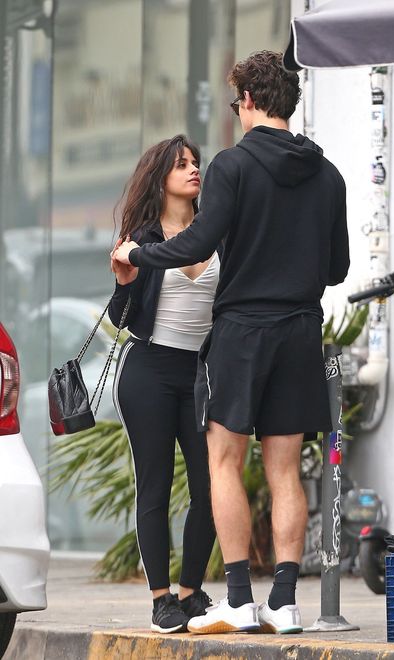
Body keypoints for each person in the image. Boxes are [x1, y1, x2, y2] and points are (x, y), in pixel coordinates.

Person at [114, 51, 350, 635]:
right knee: (285, 469)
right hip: (301, 328)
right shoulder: (329, 175)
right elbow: (338, 269)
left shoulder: (233, 165)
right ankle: (286, 602)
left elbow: (197, 244)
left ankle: (240, 599)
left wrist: (137, 253)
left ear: (247, 100)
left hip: (242, 331)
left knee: (223, 462)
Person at [109, 135, 218, 634]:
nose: (193, 170)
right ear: (161, 178)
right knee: (154, 486)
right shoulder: (141, 239)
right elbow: (121, 318)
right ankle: (161, 599)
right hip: (149, 370)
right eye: (181, 164)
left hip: (201, 372)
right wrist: (124, 281)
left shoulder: (216, 231)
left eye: (195, 162)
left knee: (210, 486)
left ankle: (191, 592)